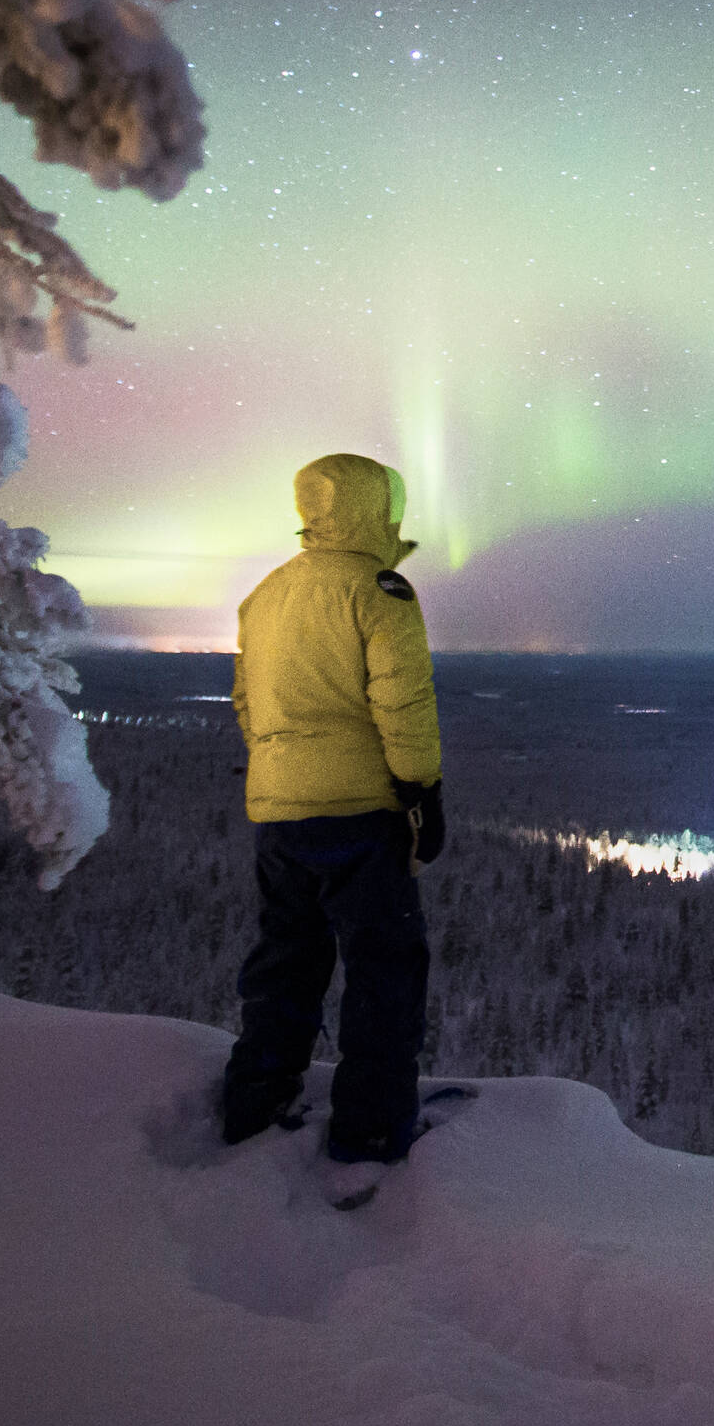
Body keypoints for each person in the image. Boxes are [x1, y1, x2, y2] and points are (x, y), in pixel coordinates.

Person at [219, 452, 449, 1174]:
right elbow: (401, 700)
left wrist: (284, 770)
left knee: (287, 955)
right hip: (358, 813)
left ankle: (256, 1097)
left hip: (278, 809)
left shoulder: (266, 594)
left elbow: (247, 704)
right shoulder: (379, 591)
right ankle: (371, 1129)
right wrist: (422, 788)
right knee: (385, 965)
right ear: (374, 509)